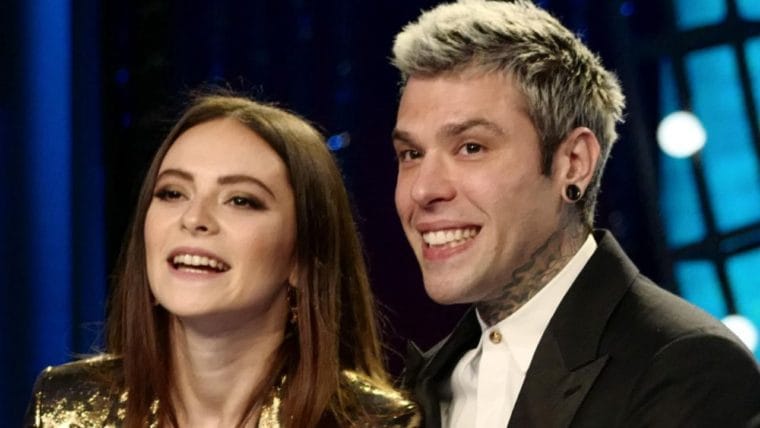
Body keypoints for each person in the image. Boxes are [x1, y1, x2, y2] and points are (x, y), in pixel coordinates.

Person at [390, 1, 760, 427]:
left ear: (574, 163)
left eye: (471, 148)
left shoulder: (687, 368)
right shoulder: (419, 389)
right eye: (411, 154)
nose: (423, 190)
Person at [25, 93, 419, 427]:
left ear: (303, 258)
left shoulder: (376, 423)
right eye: (173, 193)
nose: (194, 219)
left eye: (240, 200)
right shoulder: (65, 409)